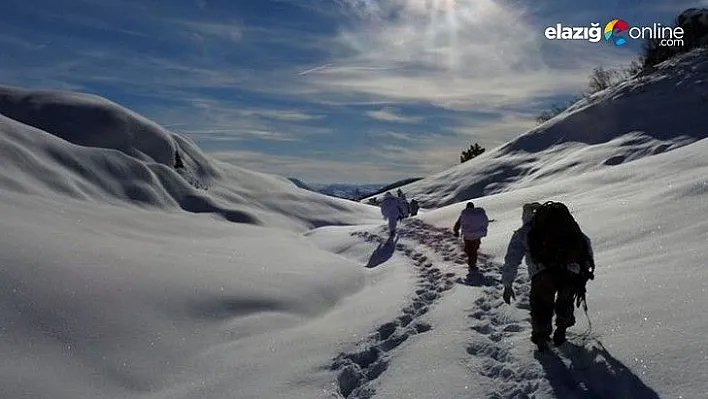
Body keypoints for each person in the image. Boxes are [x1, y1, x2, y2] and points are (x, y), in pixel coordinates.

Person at [501, 201, 595, 351]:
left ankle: (541, 338)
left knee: (541, 306)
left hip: (542, 274)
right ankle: (562, 329)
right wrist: (584, 268)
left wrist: (507, 283)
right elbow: (585, 243)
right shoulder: (565, 225)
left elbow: (512, 259)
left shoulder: (525, 232)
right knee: (565, 301)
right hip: (570, 271)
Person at [452, 202, 489, 271]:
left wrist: (456, 231)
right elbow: (485, 223)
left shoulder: (465, 214)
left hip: (468, 236)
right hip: (477, 236)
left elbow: (458, 223)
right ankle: (472, 263)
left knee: (469, 249)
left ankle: (472, 264)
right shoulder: (478, 215)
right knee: (474, 249)